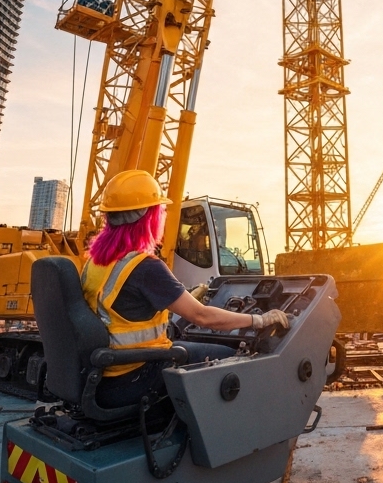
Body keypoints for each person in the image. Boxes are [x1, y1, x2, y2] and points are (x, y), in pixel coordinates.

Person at [81, 169, 290, 408]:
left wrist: (181, 298)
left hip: (105, 374)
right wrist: (258, 320)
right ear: (149, 217)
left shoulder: (94, 263)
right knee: (236, 360)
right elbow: (202, 316)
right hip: (135, 375)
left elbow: (123, 309)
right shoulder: (145, 267)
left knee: (195, 350)